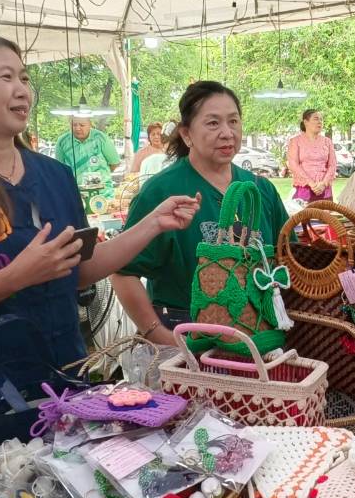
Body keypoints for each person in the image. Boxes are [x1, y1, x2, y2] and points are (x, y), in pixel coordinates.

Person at [0, 34, 197, 443]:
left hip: (65, 383)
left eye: (25, 77)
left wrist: (152, 224)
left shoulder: (54, 175)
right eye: (6, 77)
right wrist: (14, 277)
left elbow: (81, 271)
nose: (22, 90)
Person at [111, 81, 286, 343]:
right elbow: (123, 272)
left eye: (233, 121)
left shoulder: (260, 189)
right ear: (186, 134)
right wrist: (158, 333)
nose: (227, 133)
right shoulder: (162, 192)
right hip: (185, 331)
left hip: (259, 331)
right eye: (213, 123)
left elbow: (288, 255)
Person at [54, 115, 120, 207]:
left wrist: (101, 173)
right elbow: (59, 168)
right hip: (75, 195)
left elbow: (114, 163)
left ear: (90, 124)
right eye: (74, 125)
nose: (77, 128)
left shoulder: (101, 138)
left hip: (103, 195)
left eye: (82, 125)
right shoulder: (62, 141)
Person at [286, 108, 336, 202]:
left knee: (326, 216)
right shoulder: (295, 141)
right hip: (304, 189)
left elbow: (332, 165)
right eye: (316, 119)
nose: (320, 122)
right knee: (304, 216)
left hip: (324, 189)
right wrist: (311, 184)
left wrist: (324, 184)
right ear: (306, 122)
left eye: (321, 119)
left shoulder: (327, 142)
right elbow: (293, 164)